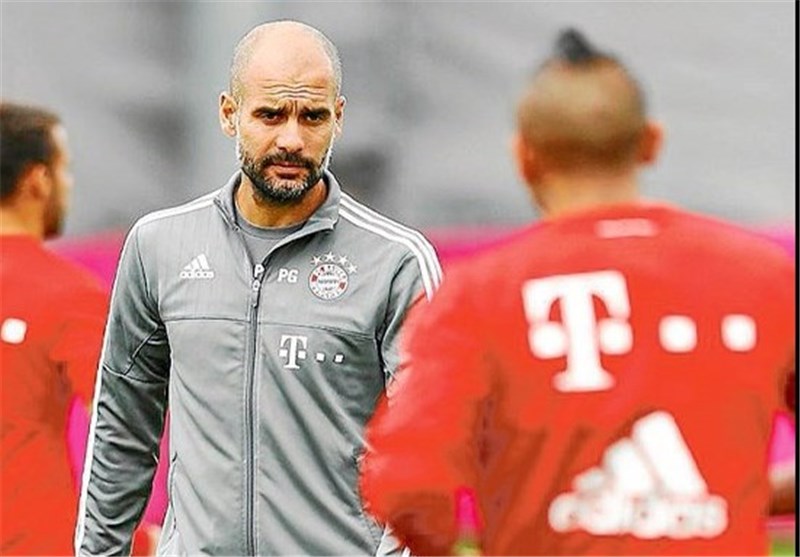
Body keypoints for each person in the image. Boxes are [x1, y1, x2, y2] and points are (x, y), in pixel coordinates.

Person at [359, 29, 795, 556]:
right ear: (651, 143)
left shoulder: (478, 296)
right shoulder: (765, 277)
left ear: (523, 155)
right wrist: (744, 499)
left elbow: (407, 485)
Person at [75, 20, 441, 556]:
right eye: (270, 115)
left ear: (338, 118)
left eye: (312, 116)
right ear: (229, 113)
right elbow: (120, 431)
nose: (291, 139)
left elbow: (430, 448)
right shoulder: (159, 246)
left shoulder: (396, 262)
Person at [0, 102, 108, 554]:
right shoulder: (69, 292)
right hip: (36, 540)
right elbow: (119, 427)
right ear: (38, 180)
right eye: (65, 169)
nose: (68, 184)